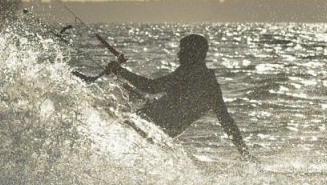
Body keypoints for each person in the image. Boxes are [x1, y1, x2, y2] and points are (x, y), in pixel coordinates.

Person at [105, 33, 250, 156]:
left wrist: (120, 71)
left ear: (195, 53)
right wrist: (245, 153)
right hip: (155, 134)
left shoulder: (188, 74)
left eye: (183, 51)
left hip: (142, 128)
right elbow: (227, 121)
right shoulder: (211, 84)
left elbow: (152, 87)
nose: (179, 54)